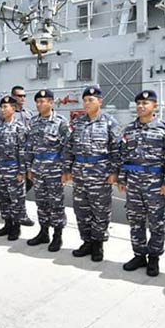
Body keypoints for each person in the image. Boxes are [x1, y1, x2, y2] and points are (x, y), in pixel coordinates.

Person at [116, 90, 165, 276]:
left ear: (155, 106)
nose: (141, 106)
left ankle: (154, 258)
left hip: (155, 184)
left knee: (156, 222)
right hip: (134, 183)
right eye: (139, 103)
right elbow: (123, 156)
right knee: (135, 221)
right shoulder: (128, 130)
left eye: (145, 103)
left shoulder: (163, 129)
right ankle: (139, 255)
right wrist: (122, 178)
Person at [67, 86, 121, 262]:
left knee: (100, 210)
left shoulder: (109, 122)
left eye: (91, 100)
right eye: (85, 100)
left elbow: (116, 149)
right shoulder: (78, 123)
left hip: (100, 174)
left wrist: (114, 172)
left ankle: (98, 244)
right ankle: (87, 242)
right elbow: (69, 148)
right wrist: (67, 169)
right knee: (81, 209)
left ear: (100, 101)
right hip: (80, 173)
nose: (87, 103)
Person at [24, 89, 71, 252]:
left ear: (51, 102)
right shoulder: (33, 122)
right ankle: (43, 232)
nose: (39, 104)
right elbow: (29, 146)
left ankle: (57, 236)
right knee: (41, 202)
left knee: (56, 203)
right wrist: (29, 168)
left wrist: (65, 170)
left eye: (42, 101)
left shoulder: (61, 122)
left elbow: (67, 147)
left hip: (54, 170)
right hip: (37, 168)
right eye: (37, 102)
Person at [0, 95, 29, 240]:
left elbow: (23, 150)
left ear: (14, 108)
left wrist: (22, 171)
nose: (3, 109)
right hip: (0, 168)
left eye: (6, 107)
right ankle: (7, 224)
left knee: (16, 199)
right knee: (3, 198)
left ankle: (16, 227)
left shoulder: (20, 127)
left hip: (14, 168)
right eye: (2, 107)